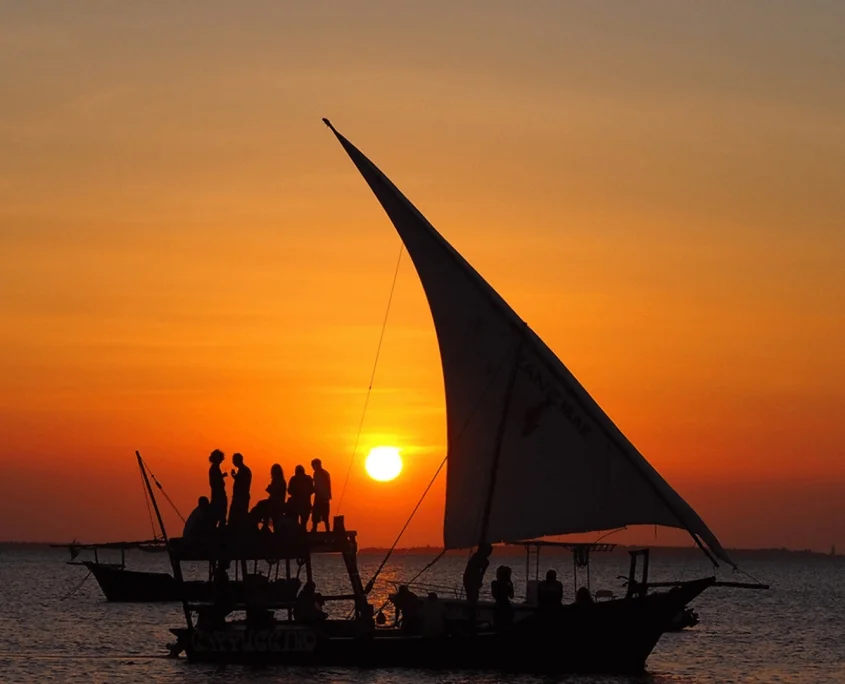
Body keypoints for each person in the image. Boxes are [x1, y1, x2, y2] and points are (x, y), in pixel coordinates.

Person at [462, 543, 492, 623]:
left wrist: (479, 581)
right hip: (470, 580)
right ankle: (471, 618)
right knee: (472, 599)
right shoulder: (477, 558)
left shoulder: (481, 560)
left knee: (473, 599)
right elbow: (478, 572)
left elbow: (481, 573)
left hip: (471, 580)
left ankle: (472, 617)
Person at [228, 452, 252, 528]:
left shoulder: (244, 470)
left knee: (237, 517)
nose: (233, 462)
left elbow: (242, 483)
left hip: (241, 498)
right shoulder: (244, 470)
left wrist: (234, 476)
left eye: (234, 460)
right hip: (240, 497)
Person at [287, 465, 314, 530]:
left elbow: (289, 491)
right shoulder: (308, 478)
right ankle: (303, 536)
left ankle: (296, 536)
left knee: (295, 523)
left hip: (295, 505)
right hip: (306, 504)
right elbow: (312, 490)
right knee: (304, 524)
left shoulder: (293, 479)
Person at [208, 449, 228, 529]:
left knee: (219, 515)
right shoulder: (214, 468)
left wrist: (222, 476)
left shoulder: (215, 468)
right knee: (220, 514)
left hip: (218, 495)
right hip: (218, 496)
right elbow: (214, 481)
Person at [310, 458, 332, 532]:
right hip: (323, 498)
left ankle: (320, 531)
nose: (313, 468)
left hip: (321, 499)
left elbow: (320, 486)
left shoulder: (321, 474)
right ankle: (323, 531)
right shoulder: (324, 473)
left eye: (313, 466)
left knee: (321, 517)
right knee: (320, 518)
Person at [491, 565, 514, 630]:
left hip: (498, 607)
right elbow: (512, 596)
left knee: (497, 627)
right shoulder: (508, 585)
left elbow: (494, 595)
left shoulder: (494, 583)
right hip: (507, 607)